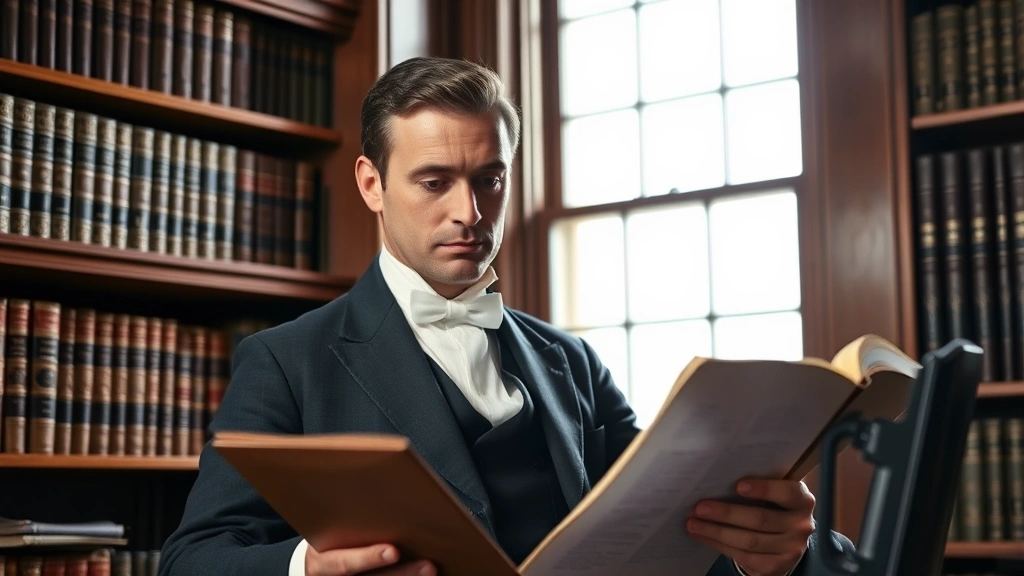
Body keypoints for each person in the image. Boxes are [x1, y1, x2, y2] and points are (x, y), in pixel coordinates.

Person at [158, 56, 854, 576]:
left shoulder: (571, 361)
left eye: (490, 178)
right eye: (434, 182)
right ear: (372, 184)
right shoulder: (286, 361)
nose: (470, 212)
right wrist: (307, 567)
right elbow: (193, 560)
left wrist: (780, 554)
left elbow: (672, 535)